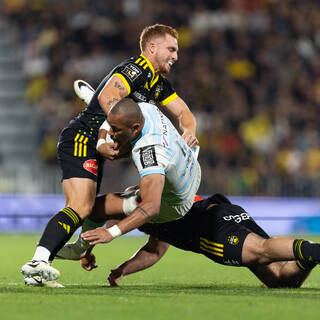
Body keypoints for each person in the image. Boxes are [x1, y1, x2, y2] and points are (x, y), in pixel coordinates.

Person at [20, 23, 199, 283]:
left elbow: (183, 113)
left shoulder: (158, 84)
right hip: (83, 138)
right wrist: (104, 135)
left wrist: (189, 132)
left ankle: (55, 261)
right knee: (80, 206)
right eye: (171, 49)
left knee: (88, 207)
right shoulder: (135, 69)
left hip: (99, 145)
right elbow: (109, 97)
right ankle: (39, 260)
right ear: (152, 47)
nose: (176, 56)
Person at [82, 193, 319, 289]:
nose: (109, 227)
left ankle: (316, 249)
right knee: (278, 279)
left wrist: (88, 246)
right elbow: (154, 251)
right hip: (226, 210)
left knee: (261, 250)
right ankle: (309, 256)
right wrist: (123, 269)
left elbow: (107, 219)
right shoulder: (150, 211)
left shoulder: (137, 203)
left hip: (209, 227)